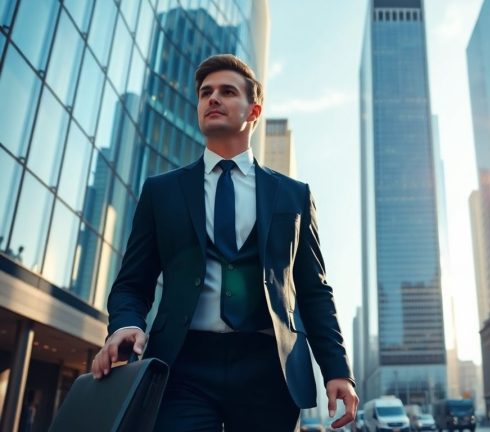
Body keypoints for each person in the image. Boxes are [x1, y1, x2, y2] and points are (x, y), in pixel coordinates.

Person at [91, 54, 358, 431]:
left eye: (227, 91)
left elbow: (314, 292)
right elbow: (132, 283)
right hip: (182, 365)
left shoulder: (293, 195)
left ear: (254, 110)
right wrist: (124, 325)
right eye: (205, 93)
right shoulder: (161, 192)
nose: (212, 98)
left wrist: (337, 370)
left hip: (270, 368)